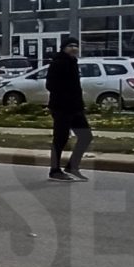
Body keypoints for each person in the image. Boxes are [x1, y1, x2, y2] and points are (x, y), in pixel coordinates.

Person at [47, 37, 92, 182]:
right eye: (70, 45)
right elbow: (50, 85)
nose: (74, 48)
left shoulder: (73, 62)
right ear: (64, 48)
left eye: (76, 46)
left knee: (86, 136)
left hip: (75, 108)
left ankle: (72, 166)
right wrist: (65, 97)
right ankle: (54, 170)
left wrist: (79, 103)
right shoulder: (58, 63)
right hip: (61, 107)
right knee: (60, 138)